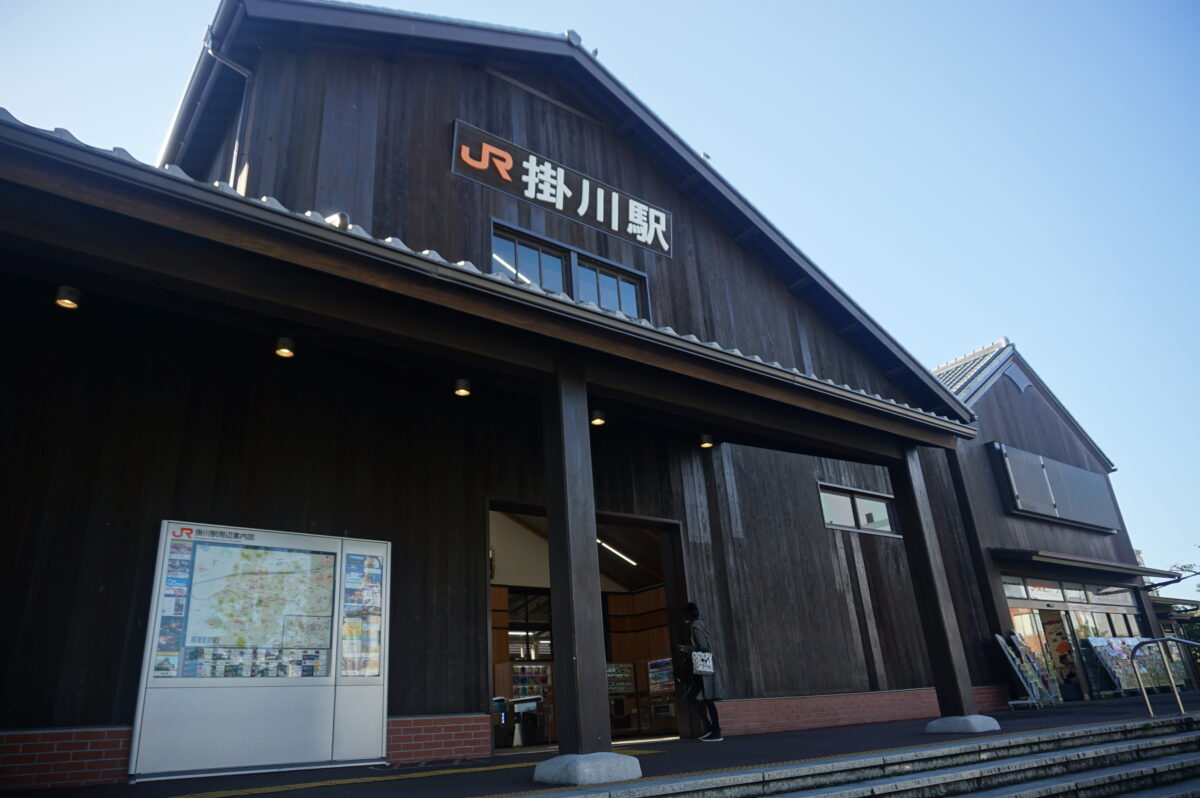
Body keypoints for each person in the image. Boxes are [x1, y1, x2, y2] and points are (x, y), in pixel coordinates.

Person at [678, 601, 722, 741]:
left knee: (702, 699)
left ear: (687, 614)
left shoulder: (695, 626)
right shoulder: (700, 624)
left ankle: (715, 731)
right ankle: (712, 729)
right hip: (704, 668)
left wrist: (686, 649)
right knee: (700, 698)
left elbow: (702, 647)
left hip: (703, 669)